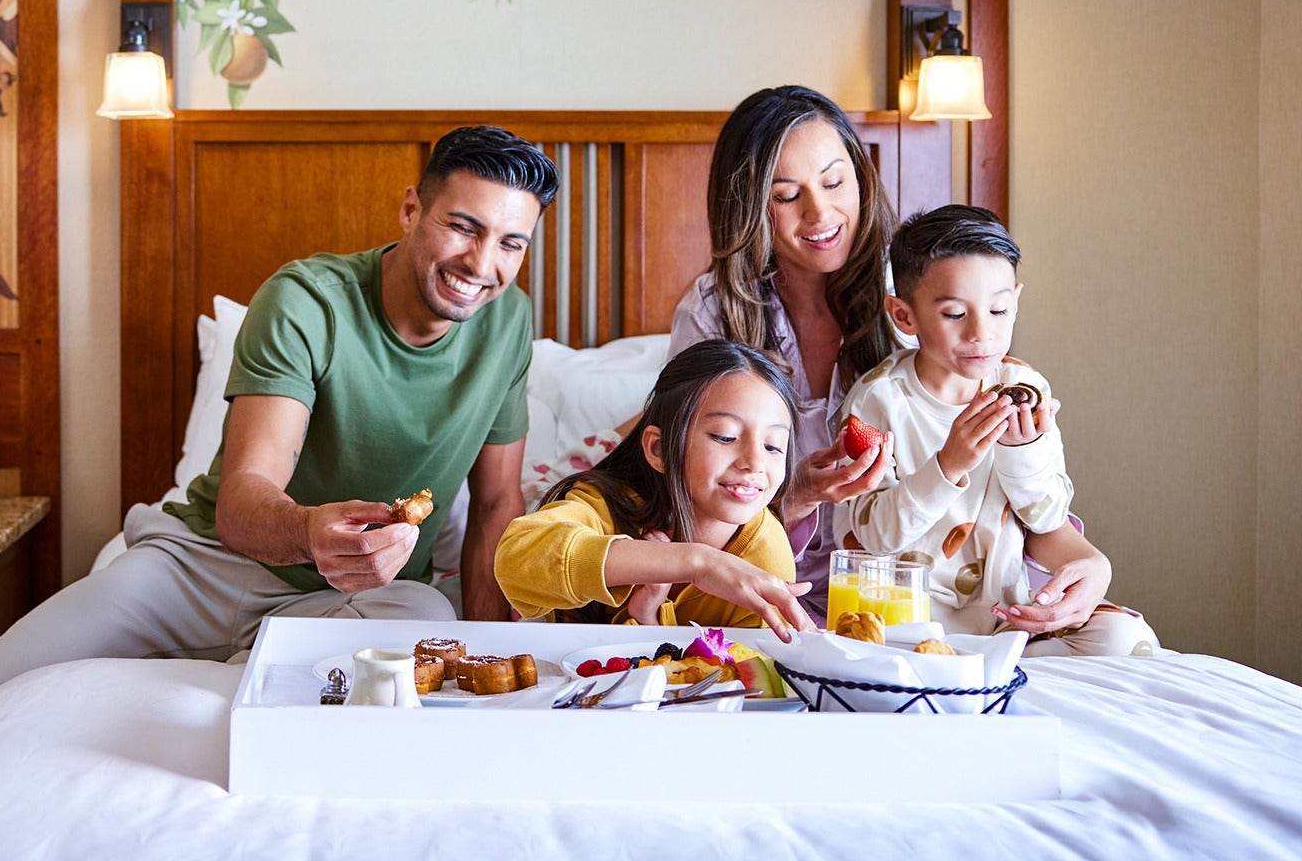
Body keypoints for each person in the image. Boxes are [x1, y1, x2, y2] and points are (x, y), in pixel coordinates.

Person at [0, 126, 560, 759]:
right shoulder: (308, 301)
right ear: (411, 209)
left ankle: (248, 671)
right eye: (463, 226)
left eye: (511, 243)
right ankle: (239, 661)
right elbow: (243, 499)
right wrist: (311, 533)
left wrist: (489, 667)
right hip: (199, 567)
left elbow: (495, 505)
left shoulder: (509, 323)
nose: (482, 264)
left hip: (355, 599)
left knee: (421, 608)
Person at [525, 86, 899, 620]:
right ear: (749, 207)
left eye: (834, 182)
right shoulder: (713, 312)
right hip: (751, 582)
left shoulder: (908, 293)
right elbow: (689, 493)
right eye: (785, 195)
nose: (820, 211)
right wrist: (794, 495)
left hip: (891, 580)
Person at [837, 204, 1158, 655]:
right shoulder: (878, 401)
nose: (981, 332)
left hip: (1007, 620)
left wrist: (1024, 452)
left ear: (1016, 302)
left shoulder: (1023, 386)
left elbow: (1047, 518)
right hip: (905, 626)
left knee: (1125, 639)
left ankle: (1009, 667)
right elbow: (871, 538)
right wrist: (948, 466)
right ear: (904, 316)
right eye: (954, 314)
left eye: (998, 309)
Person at [494, 340, 815, 640]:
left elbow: (742, 673)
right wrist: (697, 562)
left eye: (773, 446)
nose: (754, 463)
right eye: (725, 437)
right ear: (659, 449)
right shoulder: (608, 505)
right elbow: (516, 561)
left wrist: (646, 618)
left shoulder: (766, 557)